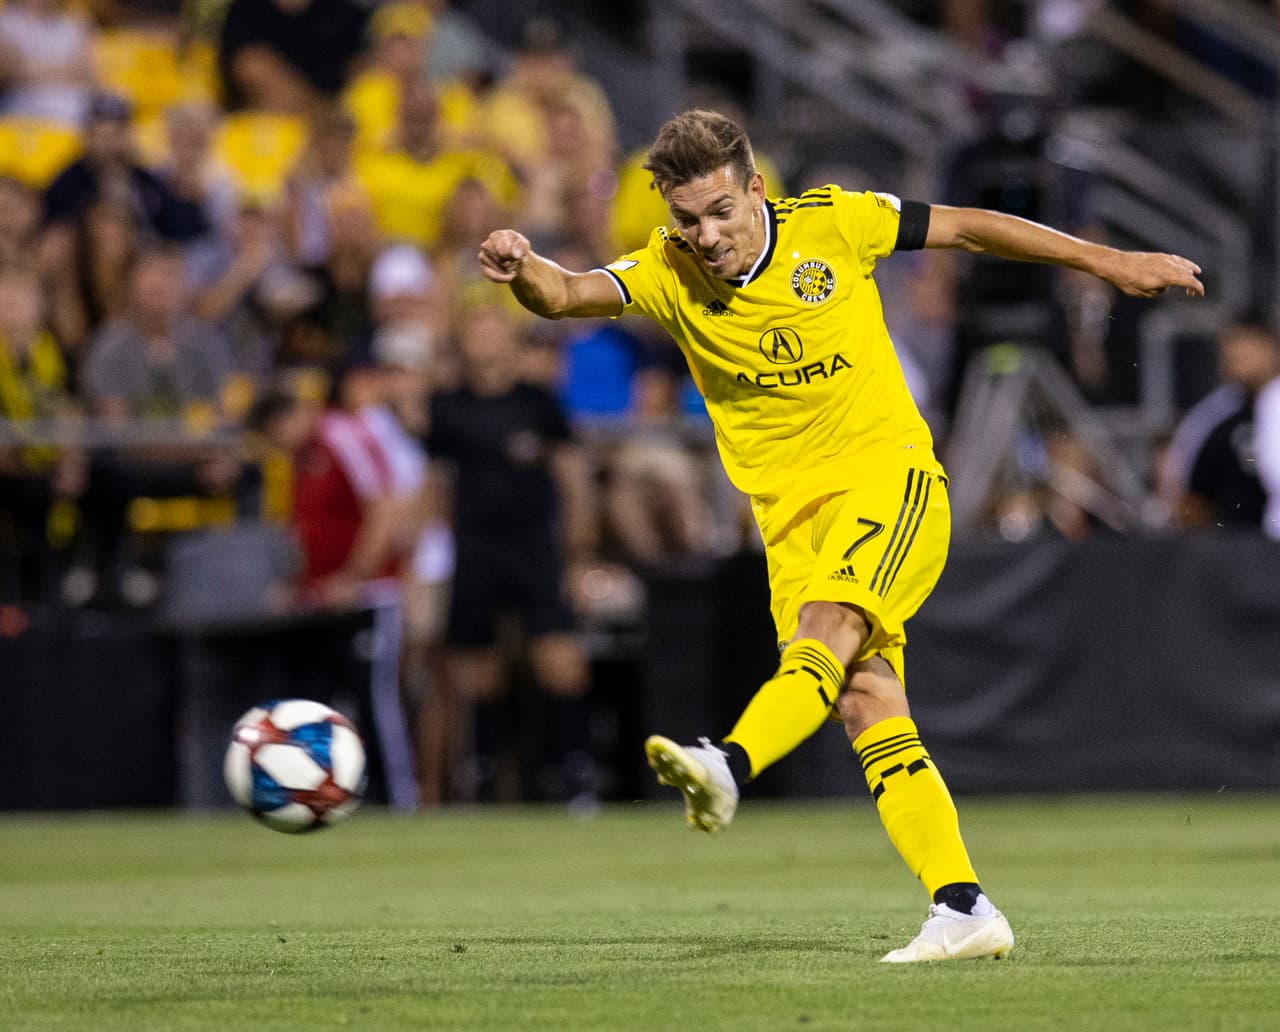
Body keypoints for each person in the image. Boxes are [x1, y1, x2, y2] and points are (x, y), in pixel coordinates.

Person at [478, 108, 1204, 963]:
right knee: (864, 703)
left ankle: (728, 765)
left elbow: (969, 228)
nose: (705, 236)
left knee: (825, 638)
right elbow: (566, 295)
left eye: (719, 212)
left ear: (756, 190)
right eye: (687, 219)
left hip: (886, 481)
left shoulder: (834, 221)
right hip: (791, 526)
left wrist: (1105, 260)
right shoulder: (669, 271)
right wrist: (524, 269)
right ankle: (963, 906)